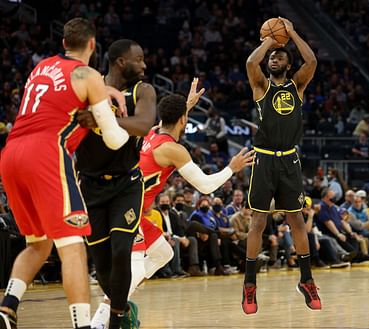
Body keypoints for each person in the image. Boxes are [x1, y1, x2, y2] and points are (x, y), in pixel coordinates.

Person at [90, 81, 253, 328]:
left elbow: (171, 120)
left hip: (119, 203)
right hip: (125, 210)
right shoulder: (173, 149)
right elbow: (206, 187)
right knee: (133, 267)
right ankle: (101, 319)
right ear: (183, 121)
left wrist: (185, 106)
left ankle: (119, 299)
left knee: (163, 253)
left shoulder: (152, 131)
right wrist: (232, 167)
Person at [0, 18, 129, 329]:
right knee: (72, 247)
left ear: (64, 44)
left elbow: (61, 95)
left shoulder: (41, 66)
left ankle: (6, 310)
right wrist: (115, 121)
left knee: (38, 244)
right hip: (45, 153)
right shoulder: (89, 74)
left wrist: (100, 94)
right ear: (93, 45)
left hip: (11, 154)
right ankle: (82, 325)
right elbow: (114, 139)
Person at [76, 38, 157, 329]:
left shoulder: (142, 90)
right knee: (102, 267)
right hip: (91, 186)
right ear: (122, 61)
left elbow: (144, 124)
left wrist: (101, 118)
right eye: (139, 59)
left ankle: (116, 321)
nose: (145, 65)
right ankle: (123, 308)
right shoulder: (89, 87)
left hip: (126, 184)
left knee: (122, 250)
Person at [242, 17, 320, 314]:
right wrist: (270, 41)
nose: (274, 58)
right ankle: (250, 285)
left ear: (288, 65)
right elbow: (251, 62)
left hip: (289, 159)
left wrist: (291, 33)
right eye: (272, 56)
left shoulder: (297, 85)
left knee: (297, 221)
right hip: (263, 158)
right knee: (258, 223)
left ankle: (307, 280)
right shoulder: (261, 86)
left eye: (279, 56)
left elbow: (311, 59)